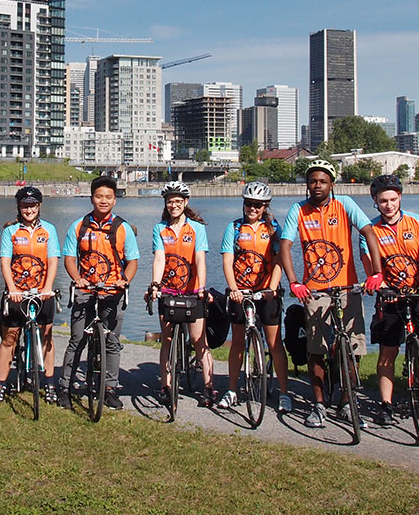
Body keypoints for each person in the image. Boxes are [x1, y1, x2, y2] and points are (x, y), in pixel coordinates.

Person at [278, 159, 384, 429]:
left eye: (322, 181)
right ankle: (318, 404)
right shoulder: (298, 210)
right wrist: (293, 282)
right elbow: (286, 245)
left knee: (352, 348)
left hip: (348, 287)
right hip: (314, 290)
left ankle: (348, 401)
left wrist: (376, 273)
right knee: (316, 349)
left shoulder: (345, 204)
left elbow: (369, 233)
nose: (317, 185)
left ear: (331, 184)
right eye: (312, 181)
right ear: (307, 185)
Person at [360, 173, 419, 429]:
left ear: (400, 198)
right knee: (388, 352)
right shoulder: (370, 230)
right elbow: (370, 265)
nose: (389, 204)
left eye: (393, 199)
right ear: (375, 201)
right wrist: (383, 287)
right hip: (391, 294)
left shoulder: (418, 222)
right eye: (383, 200)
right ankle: (386, 404)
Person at [58, 175, 140, 410]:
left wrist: (125, 280)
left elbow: (133, 261)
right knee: (77, 340)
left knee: (112, 341)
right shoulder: (79, 226)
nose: (103, 201)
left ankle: (110, 388)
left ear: (115, 200)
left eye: (108, 197)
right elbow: (70, 258)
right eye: (99, 196)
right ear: (92, 198)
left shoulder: (123, 228)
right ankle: (65, 387)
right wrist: (77, 278)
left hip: (112, 291)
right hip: (85, 289)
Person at [218, 181, 291, 413]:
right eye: (249, 204)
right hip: (242, 292)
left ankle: (284, 392)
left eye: (258, 205)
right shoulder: (234, 227)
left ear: (265, 207)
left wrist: (273, 286)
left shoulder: (273, 228)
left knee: (274, 343)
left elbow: (279, 260)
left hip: (266, 292)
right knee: (238, 341)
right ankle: (231, 390)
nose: (253, 209)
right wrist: (233, 289)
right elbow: (227, 261)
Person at [147, 181, 215, 407]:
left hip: (192, 291)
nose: (174, 205)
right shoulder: (160, 228)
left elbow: (200, 259)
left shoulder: (197, 229)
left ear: (186, 203)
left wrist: (202, 288)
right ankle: (165, 386)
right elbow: (159, 258)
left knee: (199, 341)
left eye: (178, 201)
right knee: (166, 340)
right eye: (170, 201)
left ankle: (208, 387)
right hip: (168, 290)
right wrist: (155, 285)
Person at [0, 186, 60, 404]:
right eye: (24, 205)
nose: (28, 209)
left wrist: (47, 288)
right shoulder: (11, 231)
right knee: (9, 337)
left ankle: (49, 383)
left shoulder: (48, 230)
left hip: (42, 292)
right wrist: (12, 289)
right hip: (17, 293)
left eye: (32, 205)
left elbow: (52, 260)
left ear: (39, 207)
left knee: (46, 336)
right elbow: (4, 261)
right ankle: (1, 384)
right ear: (18, 207)